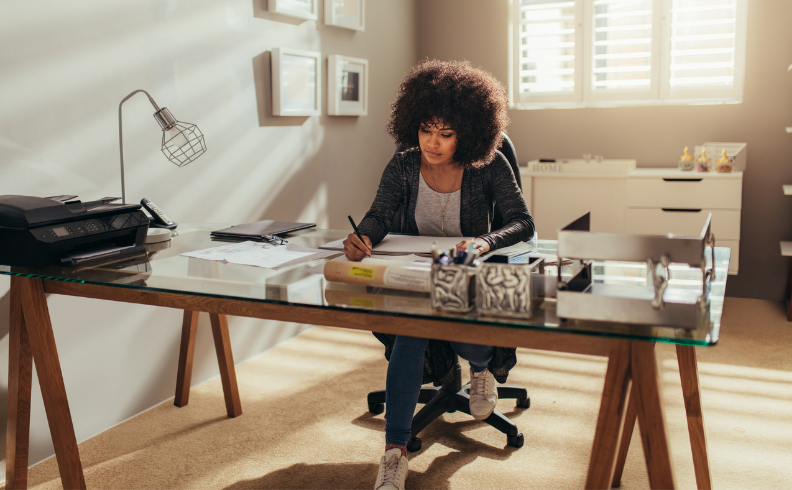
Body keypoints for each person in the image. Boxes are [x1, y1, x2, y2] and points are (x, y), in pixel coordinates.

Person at [342, 59, 534, 490]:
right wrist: (362, 238)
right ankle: (394, 454)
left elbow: (522, 222)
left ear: (468, 132)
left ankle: (480, 370)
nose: (432, 142)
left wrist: (485, 241)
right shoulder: (405, 165)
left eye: (445, 134)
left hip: (467, 274)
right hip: (418, 275)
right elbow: (377, 215)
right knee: (412, 327)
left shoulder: (489, 165)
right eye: (426, 129)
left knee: (450, 320)